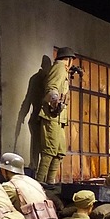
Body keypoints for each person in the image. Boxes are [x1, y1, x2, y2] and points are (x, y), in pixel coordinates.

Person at [36, 46, 79, 185]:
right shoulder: (59, 68)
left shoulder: (63, 70)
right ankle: (40, 182)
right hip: (52, 115)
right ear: (69, 59)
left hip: (59, 118)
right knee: (49, 150)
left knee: (59, 151)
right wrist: (55, 103)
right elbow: (51, 87)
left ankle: (50, 182)